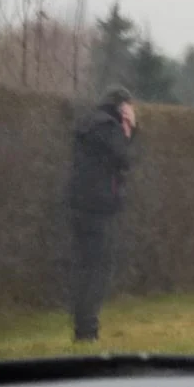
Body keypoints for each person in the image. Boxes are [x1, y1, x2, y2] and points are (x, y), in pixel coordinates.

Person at [68, 85, 137, 342]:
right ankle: (88, 330)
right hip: (99, 206)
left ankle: (82, 327)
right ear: (122, 107)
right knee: (99, 268)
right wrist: (129, 129)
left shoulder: (88, 125)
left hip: (80, 204)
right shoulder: (110, 127)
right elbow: (125, 159)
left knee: (85, 267)